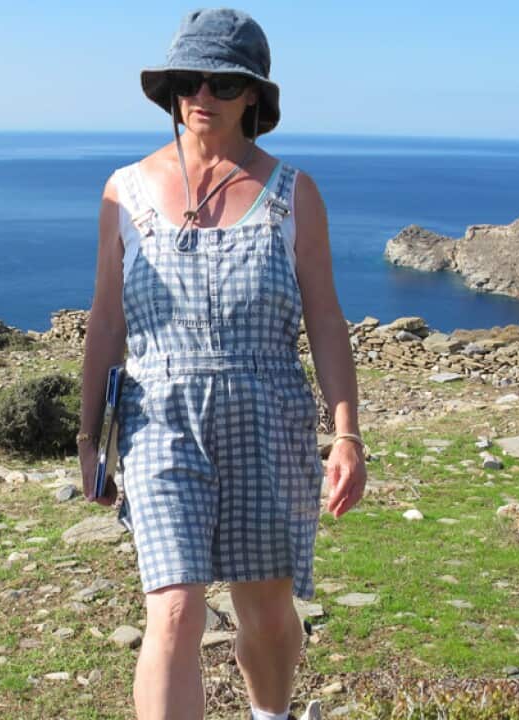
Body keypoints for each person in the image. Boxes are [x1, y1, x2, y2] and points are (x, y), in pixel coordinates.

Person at [77, 8, 366, 720]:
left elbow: (325, 319)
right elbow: (106, 322)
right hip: (157, 422)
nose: (200, 95)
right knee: (173, 607)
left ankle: (271, 715)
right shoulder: (124, 191)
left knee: (265, 610)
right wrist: (88, 440)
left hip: (268, 419)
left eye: (222, 82)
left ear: (252, 97)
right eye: (187, 80)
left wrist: (348, 434)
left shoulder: (295, 195)